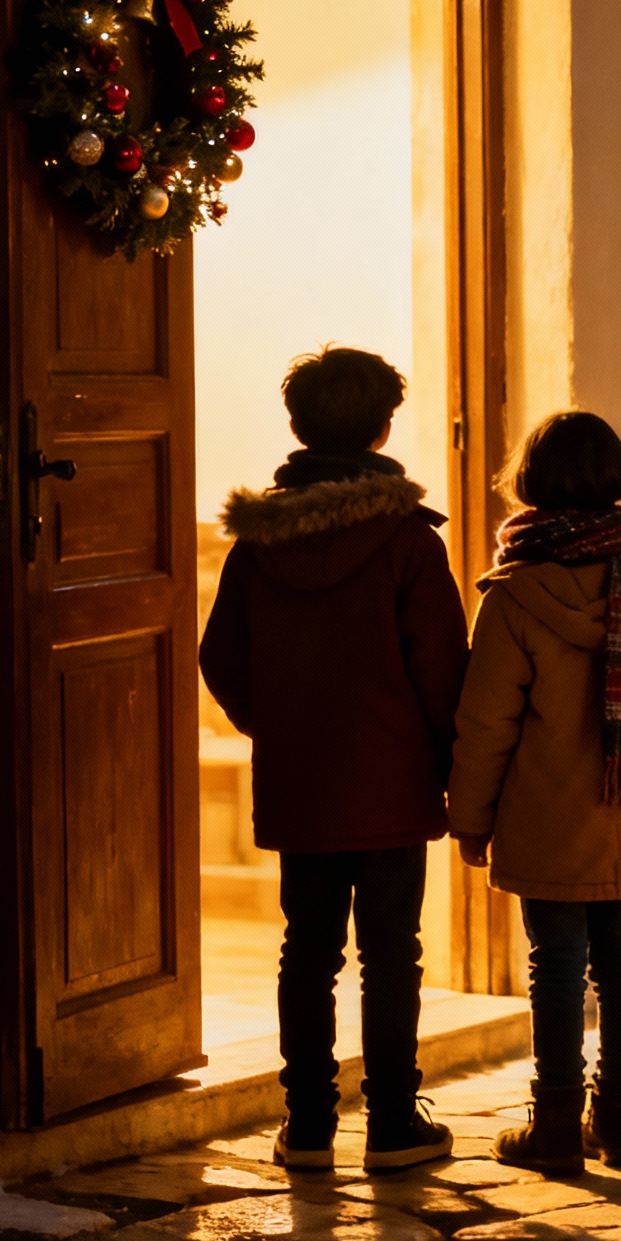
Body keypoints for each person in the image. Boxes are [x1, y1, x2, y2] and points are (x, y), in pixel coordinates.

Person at [198, 347, 469, 1174]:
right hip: (391, 784)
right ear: (386, 426)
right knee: (393, 952)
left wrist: (280, 725)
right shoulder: (407, 543)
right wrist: (445, 760)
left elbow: (221, 659)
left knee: (305, 952)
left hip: (300, 780)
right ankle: (393, 1123)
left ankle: (308, 1127)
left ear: (296, 426)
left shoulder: (257, 548)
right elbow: (444, 670)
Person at [448, 412, 621, 1174]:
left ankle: (556, 1124)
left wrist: (469, 818)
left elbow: (485, 721)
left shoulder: (517, 591)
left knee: (554, 966)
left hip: (545, 816)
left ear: (531, 483)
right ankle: (620, 1123)